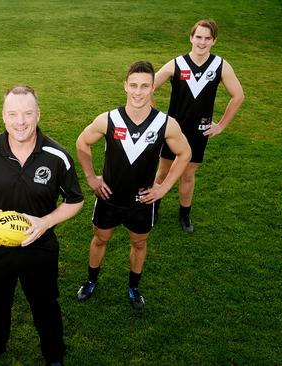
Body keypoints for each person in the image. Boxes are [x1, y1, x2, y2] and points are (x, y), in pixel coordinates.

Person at [0, 85, 83, 366]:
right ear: (4, 116)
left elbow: (75, 200)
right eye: (13, 113)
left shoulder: (57, 156)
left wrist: (46, 222)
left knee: (45, 304)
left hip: (39, 247)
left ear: (38, 114)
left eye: (27, 113)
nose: (21, 121)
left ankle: (54, 356)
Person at [75, 61, 191, 310]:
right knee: (100, 239)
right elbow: (82, 143)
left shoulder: (165, 124)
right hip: (109, 198)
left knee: (139, 243)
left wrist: (163, 187)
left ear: (152, 89)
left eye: (145, 86)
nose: (139, 92)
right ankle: (91, 280)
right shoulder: (109, 119)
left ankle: (133, 287)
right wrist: (91, 178)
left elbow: (185, 153)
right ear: (125, 86)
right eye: (134, 86)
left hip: (142, 202)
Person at [152, 19, 244, 233]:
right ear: (191, 38)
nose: (202, 42)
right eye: (198, 37)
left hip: (198, 132)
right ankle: (153, 207)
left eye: (207, 38)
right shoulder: (177, 64)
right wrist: (157, 119)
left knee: (187, 175)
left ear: (214, 41)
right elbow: (149, 87)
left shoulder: (220, 65)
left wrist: (220, 125)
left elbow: (238, 96)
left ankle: (184, 215)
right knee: (163, 172)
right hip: (172, 131)